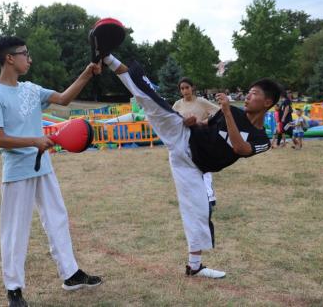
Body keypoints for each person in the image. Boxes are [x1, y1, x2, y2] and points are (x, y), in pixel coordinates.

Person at [103, 54, 281, 279]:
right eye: (248, 92)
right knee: (150, 99)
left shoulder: (261, 139)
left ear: (267, 102)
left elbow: (240, 148)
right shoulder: (232, 112)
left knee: (198, 213)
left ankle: (194, 266)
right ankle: (108, 56)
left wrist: (226, 111)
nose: (247, 97)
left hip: (193, 168)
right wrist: (192, 121)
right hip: (183, 137)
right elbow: (206, 123)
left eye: (254, 94)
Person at [0, 36, 102, 306]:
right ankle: (14, 289)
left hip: (43, 167)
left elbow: (63, 98)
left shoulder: (30, 88)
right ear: (10, 58)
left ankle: (71, 274)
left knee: (57, 219)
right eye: (25, 53)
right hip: (17, 172)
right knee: (15, 231)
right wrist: (34, 141)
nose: (30, 58)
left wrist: (86, 73)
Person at [173, 78, 220, 207]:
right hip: (184, 140)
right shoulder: (178, 104)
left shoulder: (201, 101)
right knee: (188, 168)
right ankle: (194, 196)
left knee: (204, 166)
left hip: (201, 137)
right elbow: (173, 120)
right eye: (182, 88)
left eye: (187, 87)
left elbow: (218, 113)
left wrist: (204, 122)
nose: (185, 90)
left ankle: (210, 196)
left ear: (192, 88)